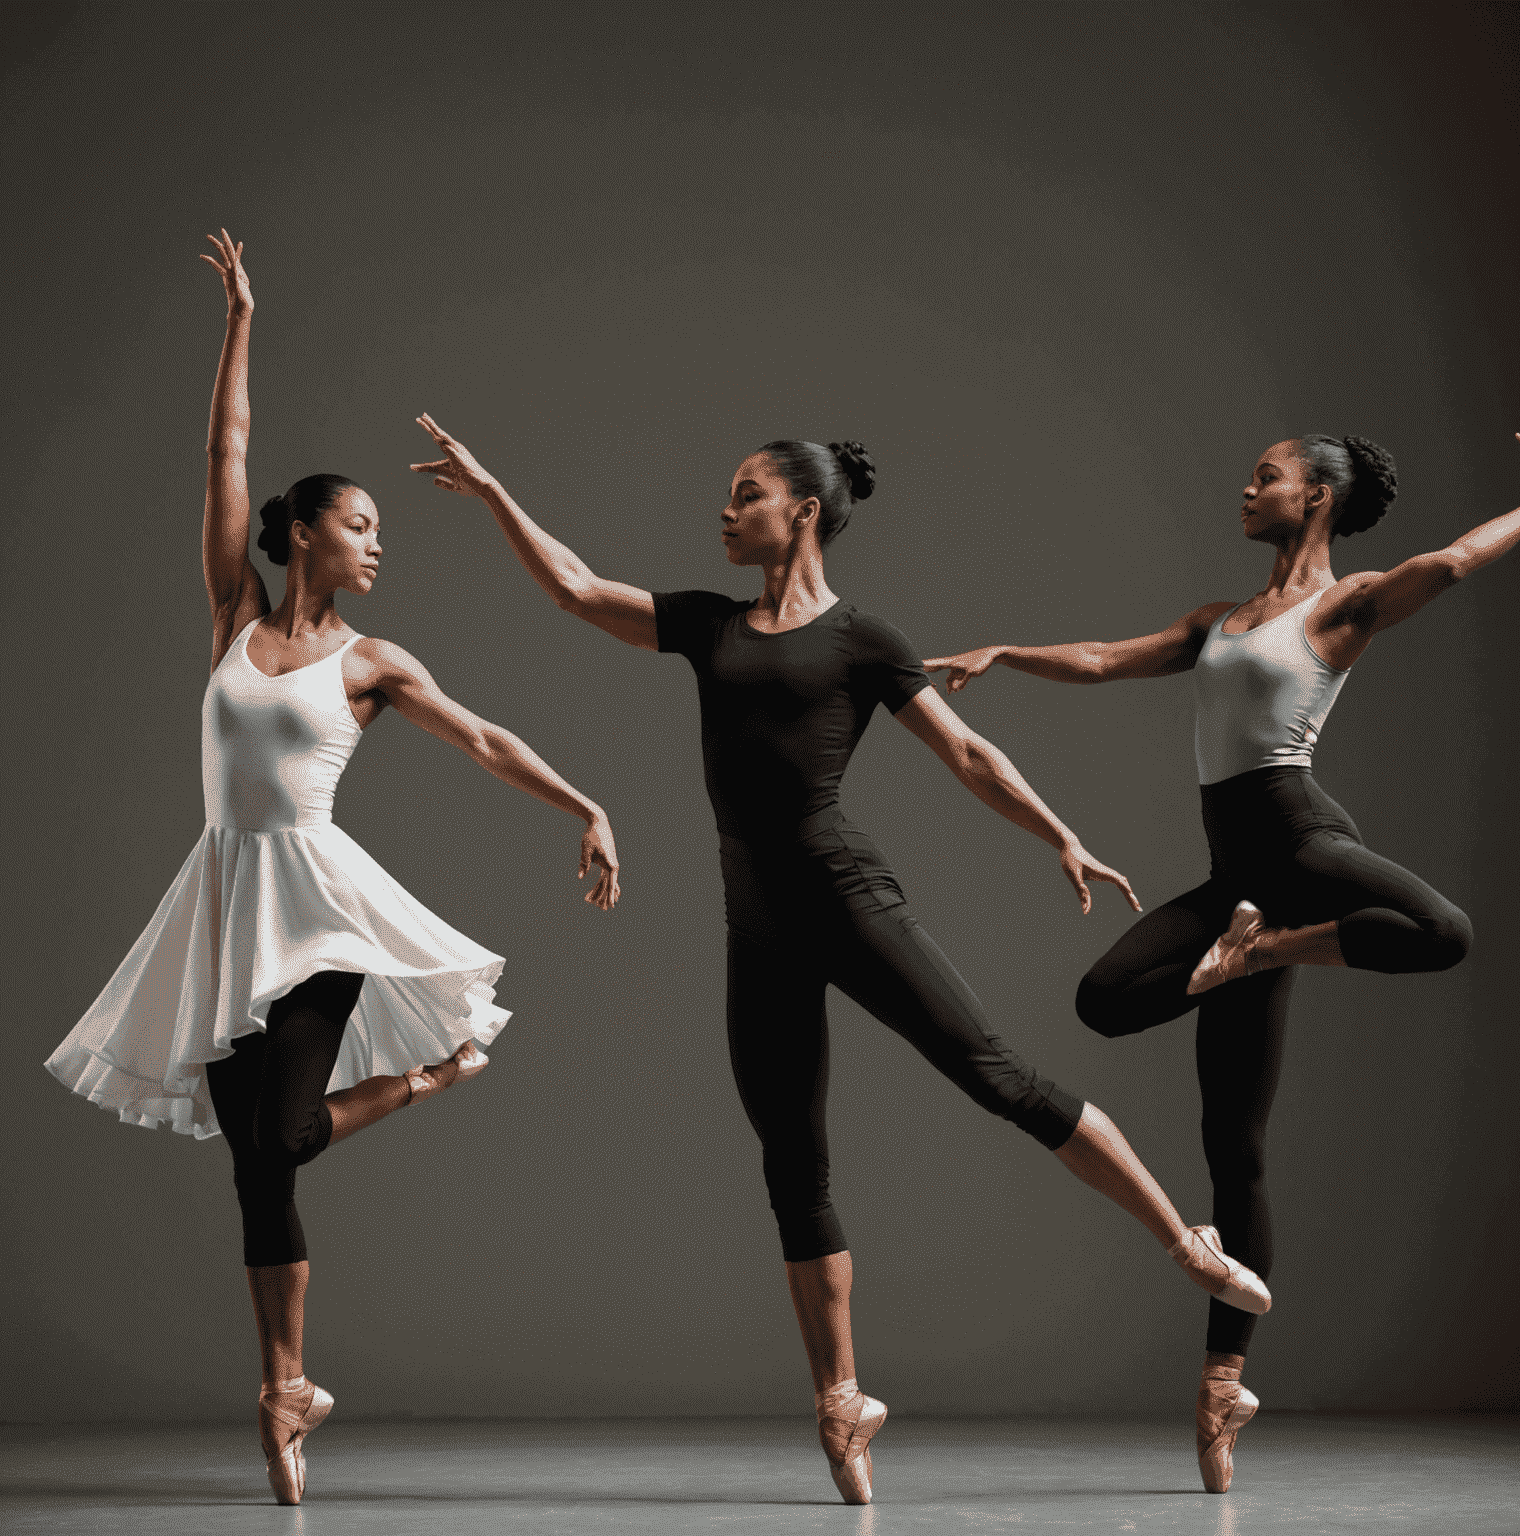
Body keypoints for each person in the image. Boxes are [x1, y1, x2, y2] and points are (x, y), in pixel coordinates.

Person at [410, 419, 1272, 1504]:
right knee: (792, 1165)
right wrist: (494, 491)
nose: (725, 512)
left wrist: (1057, 832)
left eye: (746, 494)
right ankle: (841, 1405)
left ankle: (1184, 1242)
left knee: (1000, 1079)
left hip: (844, 896)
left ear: (803, 512)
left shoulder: (862, 639)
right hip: (755, 922)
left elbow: (965, 750)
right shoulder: (710, 626)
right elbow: (581, 589)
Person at [45, 233, 622, 1506]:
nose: (375, 544)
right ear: (300, 532)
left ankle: (425, 1083)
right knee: (260, 1154)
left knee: (285, 1136)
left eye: (380, 532)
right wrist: (240, 322)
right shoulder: (230, 615)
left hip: (317, 911)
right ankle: (286, 1386)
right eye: (358, 524)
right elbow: (224, 456)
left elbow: (480, 738)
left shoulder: (372, 662)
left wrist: (580, 800)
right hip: (221, 903)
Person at [925, 426, 1520, 1492]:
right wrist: (1006, 653)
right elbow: (1111, 659)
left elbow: (1449, 564)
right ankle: (1226, 1383)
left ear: (1320, 498)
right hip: (1234, 883)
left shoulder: (1344, 606)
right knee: (1133, 1031)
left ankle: (1217, 1381)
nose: (1245, 488)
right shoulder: (1219, 619)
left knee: (1443, 932)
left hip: (1301, 839)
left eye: (1267, 476)